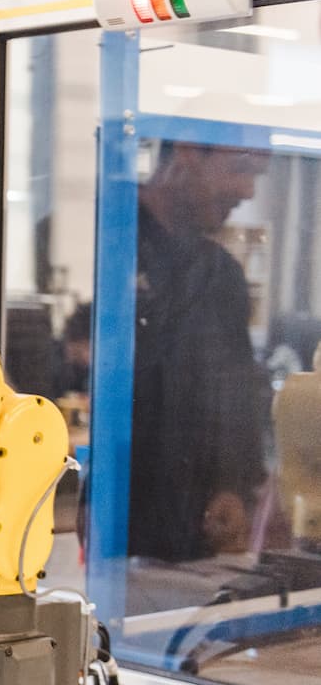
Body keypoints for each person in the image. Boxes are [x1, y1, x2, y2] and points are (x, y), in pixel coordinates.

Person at [129, 140, 273, 563]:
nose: (248, 191)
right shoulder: (111, 249)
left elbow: (233, 396)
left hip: (198, 544)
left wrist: (234, 486)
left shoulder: (221, 275)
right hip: (116, 541)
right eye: (240, 168)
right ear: (188, 153)